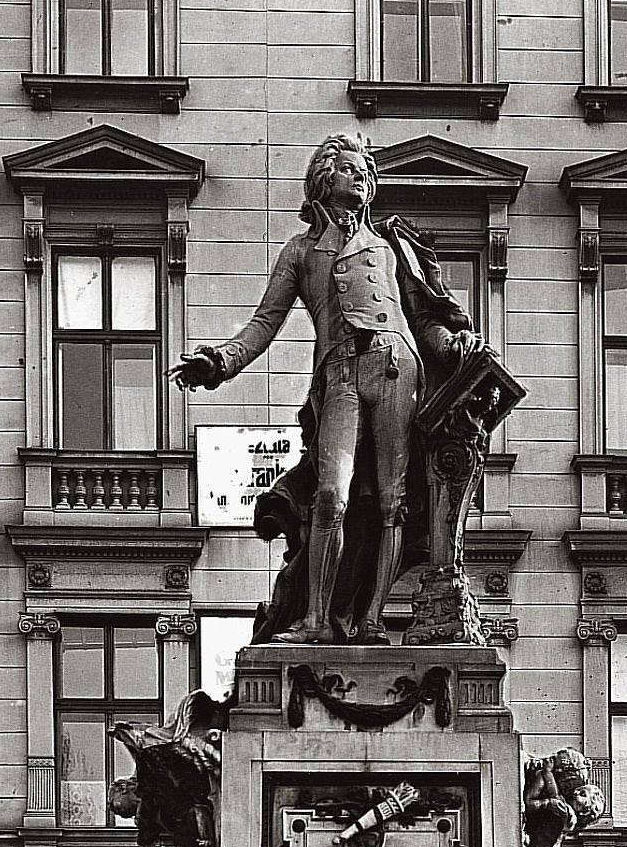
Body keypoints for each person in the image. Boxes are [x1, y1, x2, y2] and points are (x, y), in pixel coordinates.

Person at [173, 132, 481, 644]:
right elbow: (265, 322)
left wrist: (451, 344)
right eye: (348, 169)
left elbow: (422, 317)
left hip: (396, 368)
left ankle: (372, 622)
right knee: (331, 496)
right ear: (323, 178)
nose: (360, 177)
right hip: (339, 374)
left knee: (393, 502)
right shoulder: (302, 251)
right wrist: (221, 361)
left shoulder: (390, 245)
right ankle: (315, 622)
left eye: (366, 172)